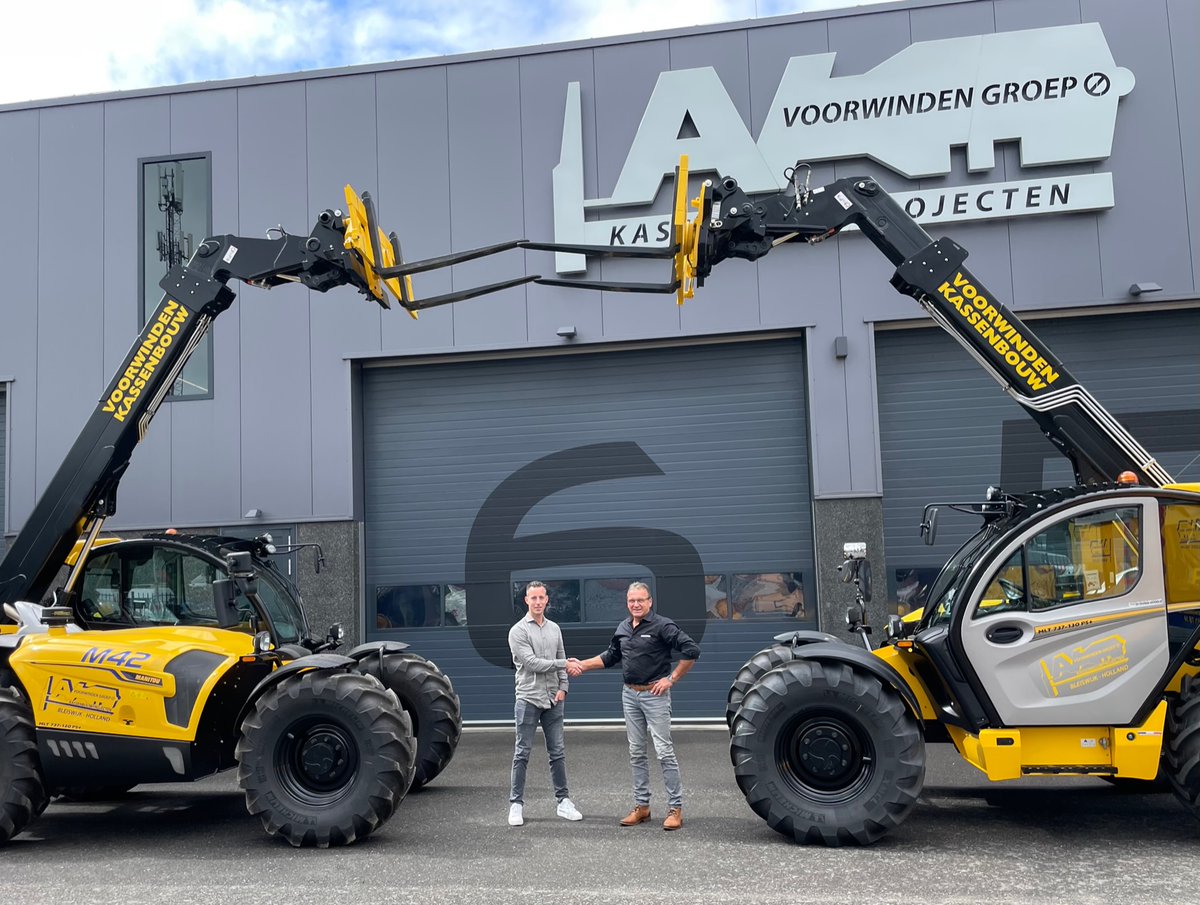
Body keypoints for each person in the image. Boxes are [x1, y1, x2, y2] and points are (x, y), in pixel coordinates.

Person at [567, 581, 699, 831]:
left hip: (654, 695)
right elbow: (611, 656)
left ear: (650, 601)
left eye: (641, 600)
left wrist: (671, 679)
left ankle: (675, 808)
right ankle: (642, 807)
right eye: (631, 601)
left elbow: (691, 650)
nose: (636, 604)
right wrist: (581, 665)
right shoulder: (623, 627)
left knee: (664, 752)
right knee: (636, 752)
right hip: (630, 695)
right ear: (627, 603)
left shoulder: (663, 626)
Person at [506, 580, 582, 827]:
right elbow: (532, 664)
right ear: (526, 600)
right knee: (522, 753)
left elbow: (560, 656)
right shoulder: (518, 631)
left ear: (547, 600)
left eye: (541, 597)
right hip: (528, 698)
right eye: (533, 598)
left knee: (557, 753)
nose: (538, 602)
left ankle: (563, 802)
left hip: (554, 699)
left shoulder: (555, 629)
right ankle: (516, 804)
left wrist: (564, 688)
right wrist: (565, 665)